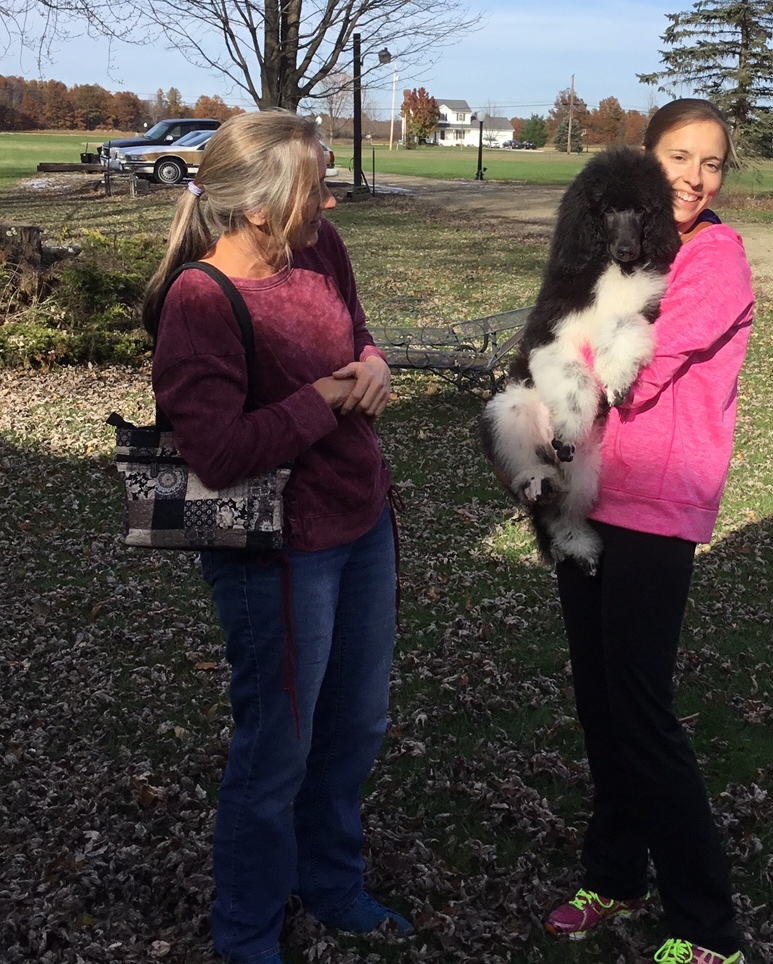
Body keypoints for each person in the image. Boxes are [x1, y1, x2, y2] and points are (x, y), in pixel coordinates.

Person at [143, 110, 410, 964]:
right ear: (257, 207)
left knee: (355, 727)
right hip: (278, 552)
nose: (329, 199)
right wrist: (323, 400)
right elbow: (216, 454)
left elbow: (356, 328)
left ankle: (332, 884)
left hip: (362, 522)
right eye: (313, 185)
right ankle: (247, 933)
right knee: (277, 751)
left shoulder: (320, 248)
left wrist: (373, 363)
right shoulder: (199, 300)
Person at [542, 99, 754, 964]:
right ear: (645, 158)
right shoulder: (624, 245)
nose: (694, 178)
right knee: (600, 704)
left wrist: (564, 351)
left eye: (711, 163)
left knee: (641, 712)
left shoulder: (714, 258)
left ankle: (707, 927)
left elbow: (638, 366)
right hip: (586, 495)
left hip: (655, 504)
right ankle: (616, 874)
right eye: (678, 157)